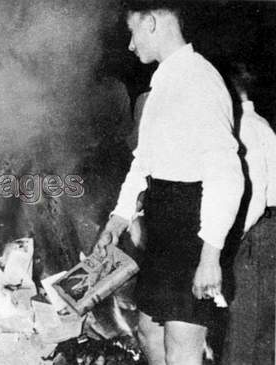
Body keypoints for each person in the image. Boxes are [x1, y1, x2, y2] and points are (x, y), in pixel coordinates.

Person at [94, 2, 243, 365]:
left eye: (132, 32)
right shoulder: (165, 80)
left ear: (150, 22)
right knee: (148, 330)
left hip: (192, 223)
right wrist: (118, 219)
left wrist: (210, 256)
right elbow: (143, 161)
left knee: (182, 345)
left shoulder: (199, 79)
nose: (130, 45)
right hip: (163, 220)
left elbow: (227, 175)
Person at [222, 62, 276, 365]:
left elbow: (253, 195)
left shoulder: (245, 127)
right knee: (261, 331)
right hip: (266, 232)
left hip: (257, 236)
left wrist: (230, 240)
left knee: (246, 327)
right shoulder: (260, 123)